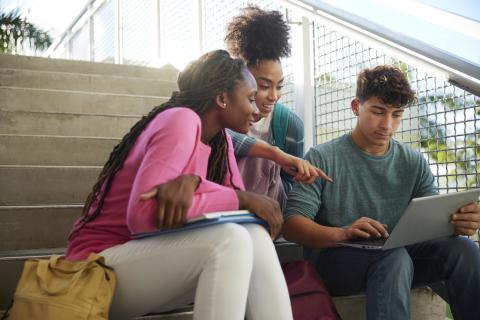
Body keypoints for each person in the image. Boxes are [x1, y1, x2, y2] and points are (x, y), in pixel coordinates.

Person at [66, 50, 293, 320]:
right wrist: (240, 199)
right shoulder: (180, 119)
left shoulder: (221, 142)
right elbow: (142, 216)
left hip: (155, 261)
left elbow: (236, 205)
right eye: (250, 99)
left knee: (252, 234)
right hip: (97, 268)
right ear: (222, 98)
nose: (256, 111)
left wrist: (197, 184)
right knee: (229, 241)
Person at [282, 65, 480, 320]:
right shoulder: (322, 157)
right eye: (378, 112)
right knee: (393, 258)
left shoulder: (413, 162)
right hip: (336, 263)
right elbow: (292, 225)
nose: (388, 124)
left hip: (400, 259)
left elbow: (432, 225)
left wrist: (458, 223)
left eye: (396, 114)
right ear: (356, 107)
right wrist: (343, 233)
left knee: (464, 250)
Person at [225, 6, 332, 207]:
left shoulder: (289, 125)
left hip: (270, 207)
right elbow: (219, 137)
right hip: (225, 201)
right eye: (264, 86)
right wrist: (273, 152)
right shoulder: (222, 109)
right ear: (240, 79)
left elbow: (290, 185)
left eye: (280, 86)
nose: (274, 96)